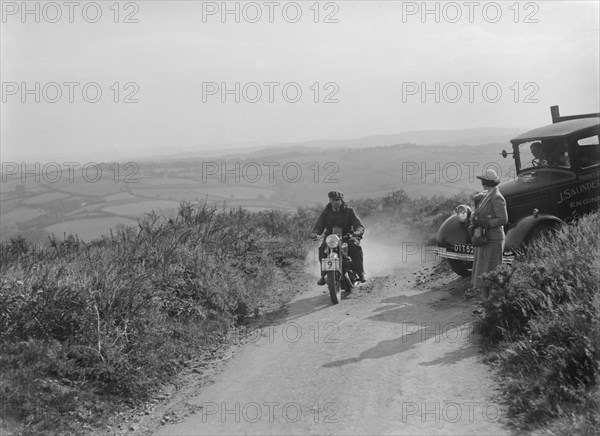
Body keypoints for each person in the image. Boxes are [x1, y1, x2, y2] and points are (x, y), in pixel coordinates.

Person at [312, 191, 366, 285]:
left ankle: (361, 273)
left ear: (341, 200)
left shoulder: (349, 210)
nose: (336, 202)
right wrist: (315, 233)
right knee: (322, 250)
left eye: (338, 200)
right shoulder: (326, 212)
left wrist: (357, 232)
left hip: (347, 236)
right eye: (333, 200)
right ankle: (323, 275)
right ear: (330, 200)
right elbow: (319, 225)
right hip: (331, 238)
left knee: (354, 247)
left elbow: (359, 225)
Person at [470, 169, 508, 301]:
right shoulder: (488, 195)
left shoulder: (497, 197)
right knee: (484, 271)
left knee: (490, 271)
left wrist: (486, 223)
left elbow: (503, 219)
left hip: (493, 239)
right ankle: (485, 301)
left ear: (485, 182)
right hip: (486, 239)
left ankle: (490, 302)